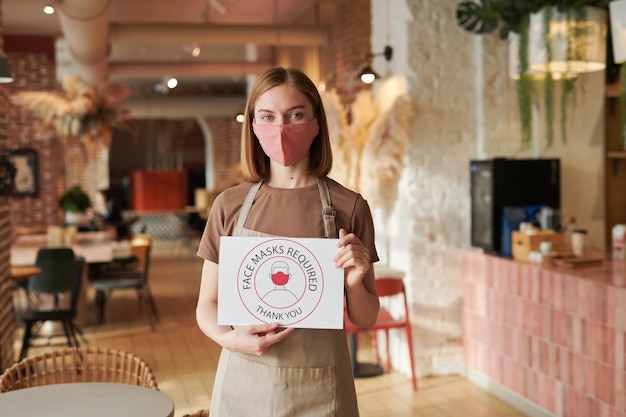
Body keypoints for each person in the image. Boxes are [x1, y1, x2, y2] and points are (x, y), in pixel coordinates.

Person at [195, 67, 380, 416]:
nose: (280, 128)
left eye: (295, 115)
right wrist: (227, 338)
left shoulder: (349, 207)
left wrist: (355, 283)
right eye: (267, 117)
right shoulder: (230, 205)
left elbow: (366, 317)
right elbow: (207, 304)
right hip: (243, 383)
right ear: (252, 126)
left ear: (316, 122)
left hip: (322, 390)